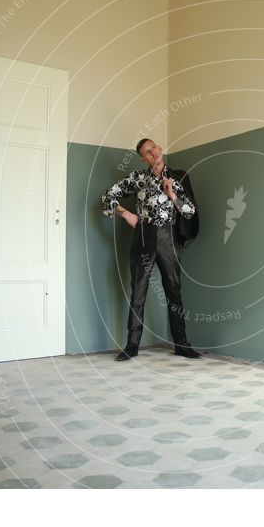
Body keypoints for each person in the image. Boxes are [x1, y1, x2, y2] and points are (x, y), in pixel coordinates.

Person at [101, 138, 202, 361]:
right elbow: (108, 196)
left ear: (160, 149)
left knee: (174, 291)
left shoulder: (176, 177)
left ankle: (181, 344)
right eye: (147, 152)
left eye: (153, 147)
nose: (152, 153)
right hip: (143, 237)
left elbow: (190, 212)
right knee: (138, 292)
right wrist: (127, 214)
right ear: (143, 158)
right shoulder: (138, 178)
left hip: (168, 239)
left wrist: (172, 194)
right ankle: (132, 345)